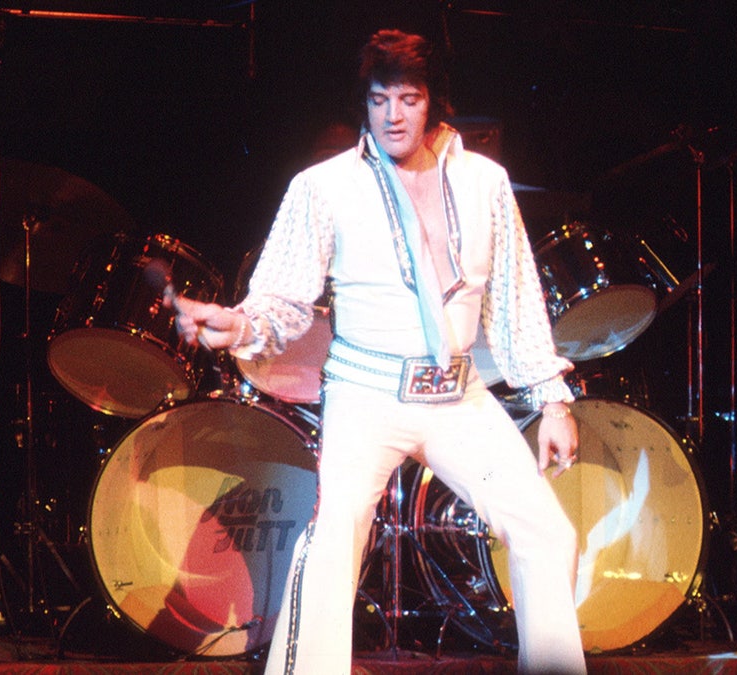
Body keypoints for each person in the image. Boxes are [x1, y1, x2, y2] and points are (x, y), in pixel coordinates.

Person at [169, 29, 588, 674]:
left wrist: (552, 400)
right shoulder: (324, 186)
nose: (393, 115)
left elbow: (514, 299)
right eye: (379, 100)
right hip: (366, 394)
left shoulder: (486, 183)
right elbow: (283, 299)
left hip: (459, 396)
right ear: (364, 104)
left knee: (547, 532)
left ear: (433, 103)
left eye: (409, 99)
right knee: (335, 541)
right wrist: (239, 324)